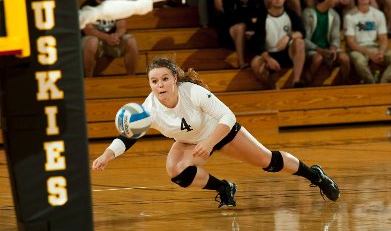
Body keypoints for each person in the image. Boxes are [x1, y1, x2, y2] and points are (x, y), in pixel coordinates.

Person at [92, 57, 340, 208]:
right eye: (154, 81)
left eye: (165, 79)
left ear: (175, 78)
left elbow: (228, 116)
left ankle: (315, 175)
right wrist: (106, 156)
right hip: (190, 141)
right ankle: (224, 189)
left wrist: (210, 143)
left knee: (269, 162)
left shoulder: (192, 92)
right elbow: (128, 136)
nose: (160, 86)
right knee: (177, 171)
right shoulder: (149, 108)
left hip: (221, 132)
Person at [80, 0, 139, 77]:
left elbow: (122, 27)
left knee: (131, 40)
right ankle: (88, 79)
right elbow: (88, 30)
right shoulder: (87, 6)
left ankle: (131, 77)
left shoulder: (115, 5)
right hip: (95, 40)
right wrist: (107, 37)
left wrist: (116, 36)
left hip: (112, 40)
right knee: (91, 41)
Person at [344, 0, 391, 84]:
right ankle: (371, 84)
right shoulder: (350, 16)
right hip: (357, 49)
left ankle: (383, 83)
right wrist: (369, 53)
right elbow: (351, 42)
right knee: (360, 61)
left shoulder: (378, 14)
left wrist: (381, 52)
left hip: (374, 47)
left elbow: (383, 38)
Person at [250, 0, 306, 89]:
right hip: (270, 54)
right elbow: (257, 43)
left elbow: (302, 32)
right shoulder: (263, 17)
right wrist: (269, 59)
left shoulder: (291, 14)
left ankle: (296, 81)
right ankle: (273, 88)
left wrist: (288, 37)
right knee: (255, 63)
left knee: (299, 42)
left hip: (287, 53)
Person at [302, 0, 350, 85]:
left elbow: (335, 37)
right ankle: (307, 83)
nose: (337, 0)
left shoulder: (335, 15)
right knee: (318, 59)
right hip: (312, 49)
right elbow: (305, 39)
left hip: (327, 49)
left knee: (344, 58)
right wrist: (319, 49)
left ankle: (344, 85)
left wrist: (333, 48)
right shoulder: (308, 13)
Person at [216, 0, 262, 69]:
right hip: (230, 34)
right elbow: (233, 19)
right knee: (240, 26)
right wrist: (250, 21)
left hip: (250, 32)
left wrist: (252, 26)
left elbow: (260, 19)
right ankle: (241, 63)